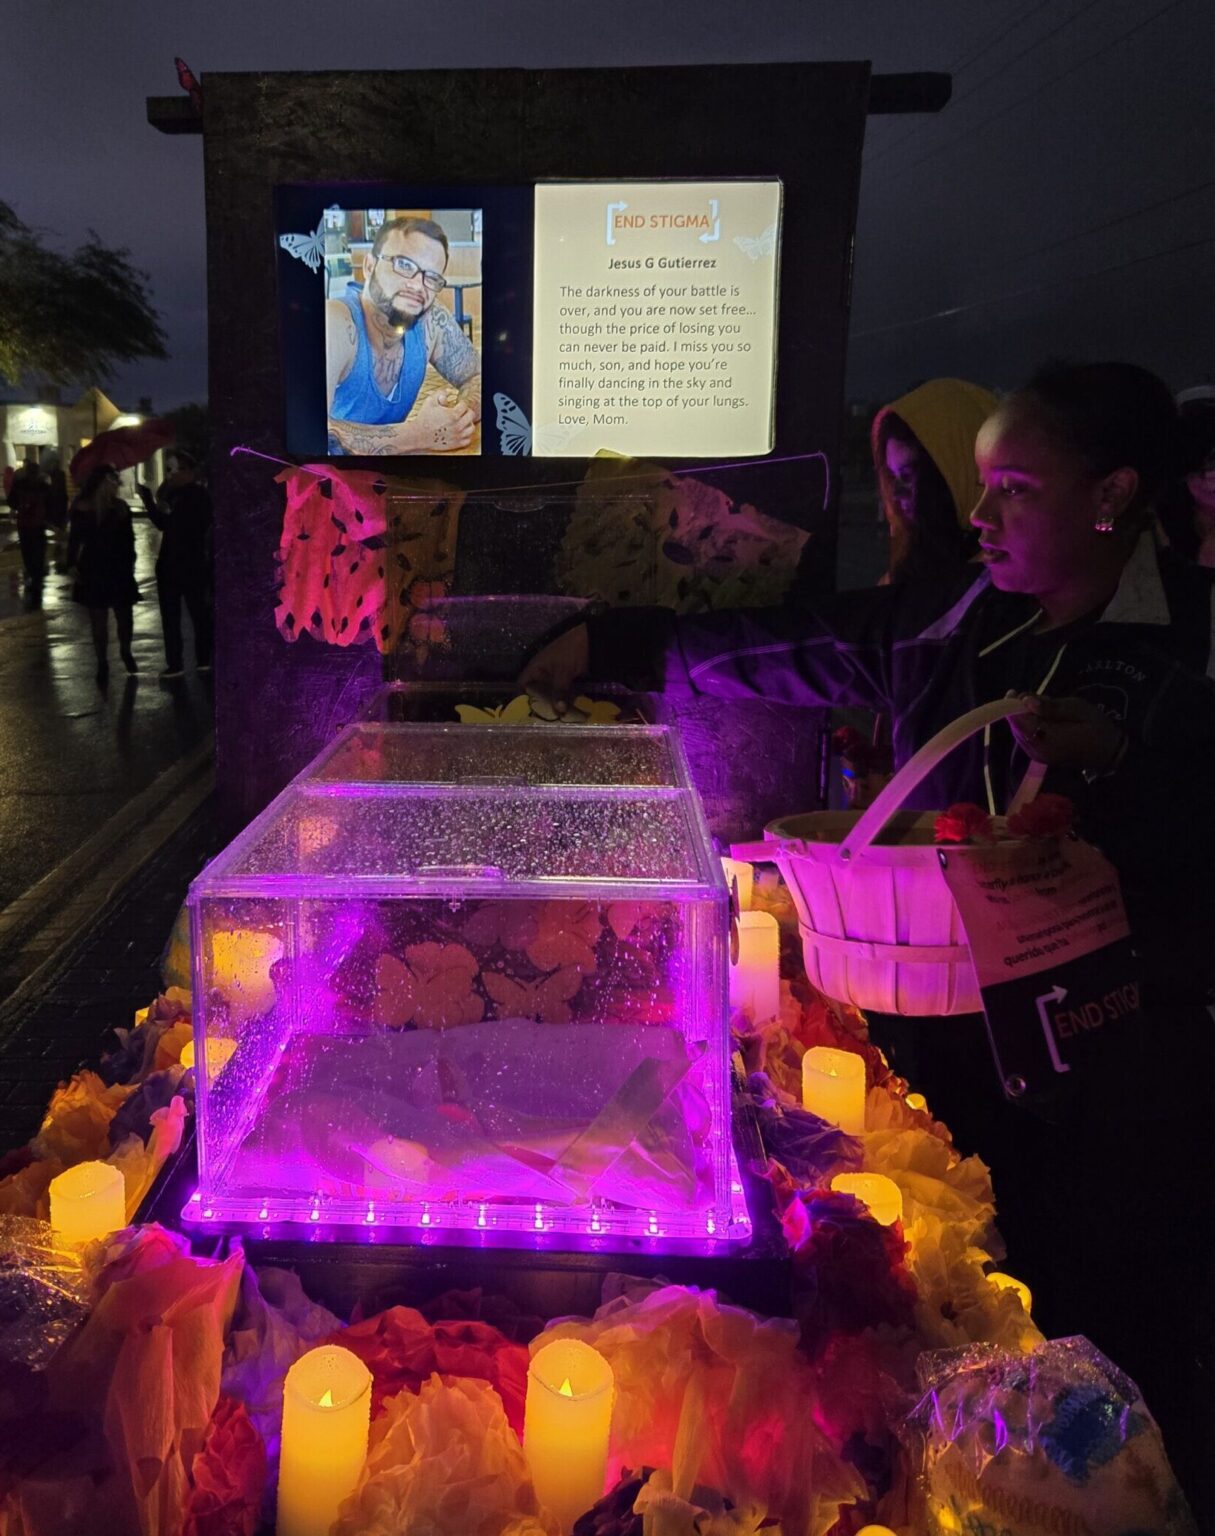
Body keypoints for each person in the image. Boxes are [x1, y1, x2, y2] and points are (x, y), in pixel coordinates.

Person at [522, 362, 1215, 1505]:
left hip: (1114, 1101)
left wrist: (1119, 768)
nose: (979, 519)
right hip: (965, 1058)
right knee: (980, 1337)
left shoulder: (1181, 657)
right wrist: (612, 646)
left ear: (1113, 496)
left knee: (1110, 1356)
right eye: (975, 491)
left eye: (1016, 492)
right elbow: (817, 643)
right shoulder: (979, 634)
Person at [326, 216, 481, 455]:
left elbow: (477, 375)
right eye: (404, 265)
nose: (418, 286)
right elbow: (308, 432)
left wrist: (456, 419)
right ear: (369, 266)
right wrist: (419, 434)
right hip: (330, 483)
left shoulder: (431, 319)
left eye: (431, 277)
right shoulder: (335, 323)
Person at [871, 378, 998, 584]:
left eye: (908, 475)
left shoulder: (1003, 576)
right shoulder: (915, 566)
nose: (896, 494)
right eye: (894, 477)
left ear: (956, 470)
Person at [137, 451, 213, 679]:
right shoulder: (174, 493)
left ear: (187, 472)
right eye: (168, 470)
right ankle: (177, 662)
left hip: (191, 563)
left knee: (198, 613)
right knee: (171, 616)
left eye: (173, 469)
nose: (169, 474)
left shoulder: (198, 496)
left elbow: (176, 524)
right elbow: (165, 523)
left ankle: (202, 658)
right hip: (171, 564)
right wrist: (152, 501)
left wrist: (156, 504)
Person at [67, 464, 140, 687]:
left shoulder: (120, 508)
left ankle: (125, 651)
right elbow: (75, 540)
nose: (117, 486)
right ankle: (102, 662)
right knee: (99, 621)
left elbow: (129, 540)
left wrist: (130, 563)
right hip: (95, 569)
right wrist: (71, 563)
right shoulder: (83, 508)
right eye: (113, 481)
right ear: (102, 483)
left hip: (117, 569)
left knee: (124, 617)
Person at [8, 459, 51, 608]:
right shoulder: (43, 485)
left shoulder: (21, 484)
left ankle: (33, 576)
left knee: (28, 551)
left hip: (26, 524)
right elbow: (50, 502)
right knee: (38, 552)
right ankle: (36, 578)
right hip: (37, 524)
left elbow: (11, 501)